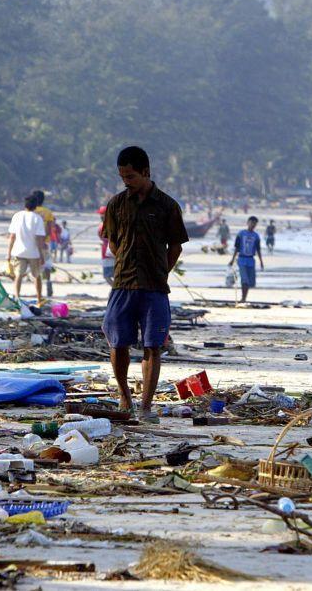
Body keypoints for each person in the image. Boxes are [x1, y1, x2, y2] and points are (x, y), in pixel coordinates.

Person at [101, 146, 188, 422]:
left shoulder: (167, 205)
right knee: (118, 342)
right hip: (123, 283)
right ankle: (125, 396)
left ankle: (146, 405)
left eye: (131, 176)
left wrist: (161, 271)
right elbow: (113, 242)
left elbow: (175, 247)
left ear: (146, 172)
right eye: (123, 176)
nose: (126, 181)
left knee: (153, 346)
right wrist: (126, 262)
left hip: (154, 287)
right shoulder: (116, 204)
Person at [6, 195, 47, 301]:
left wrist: (9, 253)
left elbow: (12, 236)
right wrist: (41, 255)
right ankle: (39, 298)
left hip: (18, 251)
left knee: (18, 275)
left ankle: (17, 297)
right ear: (36, 206)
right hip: (33, 253)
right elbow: (39, 239)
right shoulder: (37, 218)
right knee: (36, 276)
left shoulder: (17, 216)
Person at [229, 216, 264, 303]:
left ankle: (244, 297)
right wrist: (232, 259)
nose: (253, 225)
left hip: (251, 260)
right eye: (251, 222)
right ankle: (243, 298)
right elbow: (237, 247)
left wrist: (261, 261)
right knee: (244, 279)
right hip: (242, 259)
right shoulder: (241, 234)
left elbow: (258, 249)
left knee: (250, 281)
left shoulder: (256, 236)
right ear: (248, 223)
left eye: (254, 223)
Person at [32, 190, 56, 297]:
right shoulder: (48, 212)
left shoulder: (30, 211)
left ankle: (38, 289)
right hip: (45, 242)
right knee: (46, 264)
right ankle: (48, 282)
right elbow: (49, 228)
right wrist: (45, 240)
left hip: (32, 242)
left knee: (35, 266)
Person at [98, 205, 114, 285]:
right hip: (114, 252)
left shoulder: (102, 226)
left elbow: (102, 236)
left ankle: (116, 290)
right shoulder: (114, 224)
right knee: (115, 275)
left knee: (107, 276)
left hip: (106, 253)